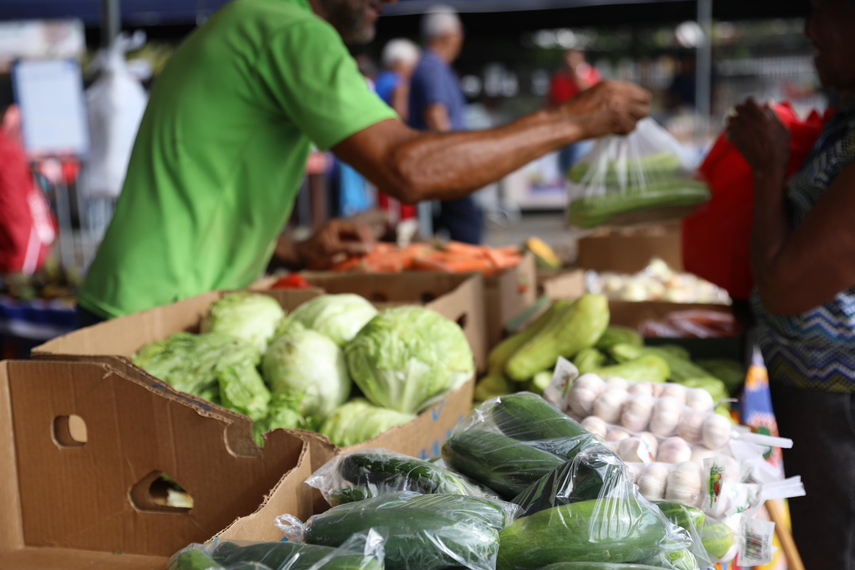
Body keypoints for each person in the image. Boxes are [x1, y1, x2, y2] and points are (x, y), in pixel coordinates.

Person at [78, 0, 650, 326]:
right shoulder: (292, 31)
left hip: (142, 299)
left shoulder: (250, 17)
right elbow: (409, 169)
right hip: (154, 313)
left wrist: (292, 250)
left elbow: (200, 181)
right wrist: (573, 120)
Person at [726, 0, 855, 567]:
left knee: (834, 546)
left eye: (827, 8)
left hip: (838, 396)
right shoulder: (846, 115)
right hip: (818, 387)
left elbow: (784, 286)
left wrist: (769, 166)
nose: (809, 27)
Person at [408, 6, 483, 245]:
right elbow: (436, 115)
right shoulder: (432, 67)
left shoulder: (436, 66)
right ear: (448, 35)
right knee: (467, 225)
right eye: (459, 32)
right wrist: (455, 158)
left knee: (454, 223)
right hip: (444, 164)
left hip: (442, 161)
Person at [548, 49, 602, 174]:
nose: (570, 61)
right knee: (564, 164)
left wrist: (576, 73)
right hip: (562, 124)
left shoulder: (590, 73)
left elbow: (590, 94)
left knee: (578, 161)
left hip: (582, 126)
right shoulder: (559, 77)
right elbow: (552, 100)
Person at [375, 39, 420, 121]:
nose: (412, 70)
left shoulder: (381, 77)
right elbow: (401, 115)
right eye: (410, 65)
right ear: (399, 63)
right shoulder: (399, 82)